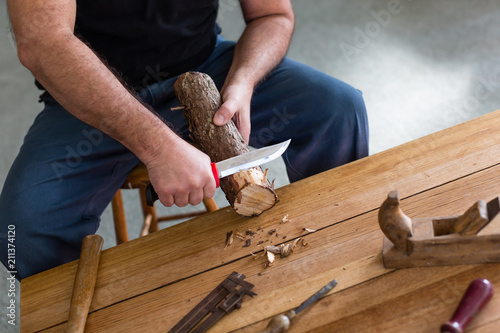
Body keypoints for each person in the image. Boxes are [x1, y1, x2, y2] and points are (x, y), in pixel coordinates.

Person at [0, 0, 368, 280]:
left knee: (338, 109)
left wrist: (244, 80)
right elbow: (43, 43)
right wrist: (157, 146)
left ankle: (333, 260)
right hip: (92, 94)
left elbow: (272, 14)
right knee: (23, 228)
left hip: (206, 67)